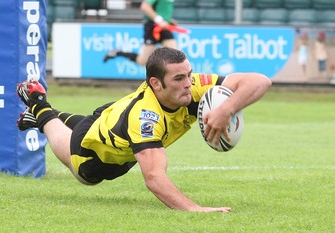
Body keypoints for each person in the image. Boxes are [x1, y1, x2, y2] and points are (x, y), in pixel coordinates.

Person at [17, 47, 272, 212]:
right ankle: (40, 108)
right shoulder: (145, 119)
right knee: (81, 171)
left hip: (112, 120)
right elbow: (154, 179)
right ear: (156, 84)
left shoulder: (192, 85)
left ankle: (55, 115)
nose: (189, 84)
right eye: (179, 79)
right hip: (91, 153)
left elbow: (260, 81)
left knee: (103, 125)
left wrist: (227, 108)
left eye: (189, 75)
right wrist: (196, 209)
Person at [103, 0, 178, 66]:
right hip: (153, 27)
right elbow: (144, 6)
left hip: (164, 28)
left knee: (175, 57)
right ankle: (118, 52)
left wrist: (168, 20)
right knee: (143, 61)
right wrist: (160, 20)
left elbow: (161, 9)